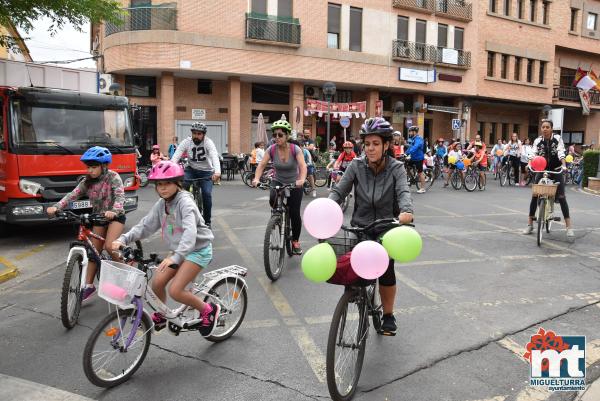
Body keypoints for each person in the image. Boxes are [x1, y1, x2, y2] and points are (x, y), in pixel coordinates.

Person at [112, 160, 220, 336]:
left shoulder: (185, 203)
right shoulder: (162, 204)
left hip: (197, 250)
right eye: (159, 184)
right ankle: (162, 314)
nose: (163, 188)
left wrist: (176, 257)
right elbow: (145, 226)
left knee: (175, 290)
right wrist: (124, 238)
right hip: (178, 251)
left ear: (178, 183)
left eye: (167, 183)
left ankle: (208, 309)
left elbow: (190, 234)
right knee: (157, 283)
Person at [329, 117, 414, 336]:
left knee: (386, 271)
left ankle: (387, 315)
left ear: (386, 145)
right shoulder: (356, 166)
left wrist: (406, 211)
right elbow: (340, 191)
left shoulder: (397, 168)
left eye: (376, 144)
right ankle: (355, 296)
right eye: (367, 144)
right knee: (352, 269)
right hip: (361, 225)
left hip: (387, 226)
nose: (371, 148)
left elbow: (404, 193)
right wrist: (329, 204)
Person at [46, 146, 125, 302]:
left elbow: (120, 196)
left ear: (104, 166)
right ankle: (88, 286)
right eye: (88, 167)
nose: (90, 170)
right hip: (98, 217)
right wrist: (56, 207)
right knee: (93, 251)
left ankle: (126, 273)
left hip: (115, 216)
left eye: (94, 167)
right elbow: (72, 195)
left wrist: (114, 211)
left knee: (110, 246)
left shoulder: (113, 177)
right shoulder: (86, 181)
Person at [252, 119, 307, 254]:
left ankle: (295, 241)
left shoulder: (295, 149)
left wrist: (302, 179)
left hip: (294, 182)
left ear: (287, 136)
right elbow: (262, 165)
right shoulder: (271, 149)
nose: (276, 137)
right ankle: (278, 215)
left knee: (294, 212)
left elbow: (302, 166)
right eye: (274, 135)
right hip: (278, 180)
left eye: (280, 135)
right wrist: (256, 178)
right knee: (272, 198)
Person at [523, 119, 574, 237]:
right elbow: (532, 153)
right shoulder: (537, 140)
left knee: (561, 197)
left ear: (551, 129)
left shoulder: (557, 139)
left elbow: (561, 152)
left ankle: (568, 227)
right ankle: (530, 225)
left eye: (547, 127)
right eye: (543, 127)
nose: (545, 129)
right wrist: (529, 164)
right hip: (541, 170)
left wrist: (564, 165)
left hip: (556, 170)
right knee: (535, 195)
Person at [171, 122, 221, 228]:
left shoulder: (208, 142)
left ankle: (207, 221)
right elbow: (177, 154)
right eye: (194, 133)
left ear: (204, 134)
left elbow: (214, 156)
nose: (196, 136)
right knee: (181, 188)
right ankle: (181, 213)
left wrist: (217, 172)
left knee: (207, 194)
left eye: (199, 134)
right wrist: (170, 168)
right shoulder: (186, 142)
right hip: (191, 169)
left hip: (207, 171)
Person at [405, 126, 426, 193]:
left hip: (419, 158)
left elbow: (415, 147)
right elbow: (410, 147)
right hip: (413, 158)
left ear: (414, 132)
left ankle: (423, 188)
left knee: (420, 173)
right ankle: (412, 178)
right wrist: (405, 153)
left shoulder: (419, 139)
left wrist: (408, 153)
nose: (409, 133)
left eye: (410, 132)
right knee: (407, 167)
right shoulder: (413, 139)